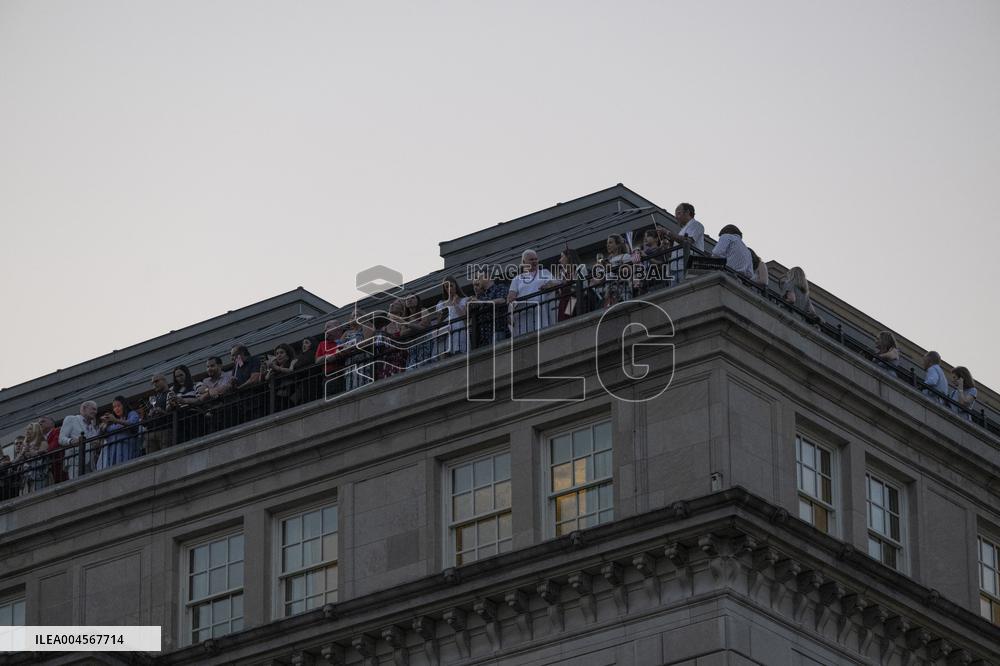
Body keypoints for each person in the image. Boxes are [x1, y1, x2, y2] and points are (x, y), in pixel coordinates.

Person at [508, 249, 556, 335]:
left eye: (536, 259)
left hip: (542, 311)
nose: (534, 261)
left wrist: (547, 285)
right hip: (525, 313)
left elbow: (554, 283)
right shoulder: (517, 279)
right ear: (523, 262)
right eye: (531, 259)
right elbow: (511, 296)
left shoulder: (544, 272)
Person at [96, 396, 141, 471]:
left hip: (126, 449)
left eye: (118, 406)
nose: (116, 409)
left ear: (124, 405)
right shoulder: (112, 421)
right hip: (112, 451)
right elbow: (99, 435)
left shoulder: (131, 414)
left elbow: (133, 423)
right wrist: (104, 423)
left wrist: (116, 420)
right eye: (114, 407)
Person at [59, 400, 99, 478]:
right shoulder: (71, 419)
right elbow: (61, 439)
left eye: (96, 410)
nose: (95, 412)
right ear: (84, 408)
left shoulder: (93, 428)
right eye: (93, 409)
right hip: (75, 461)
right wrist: (71, 441)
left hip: (90, 464)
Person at [470, 272, 510, 344]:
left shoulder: (500, 287)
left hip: (498, 330)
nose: (478, 280)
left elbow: (502, 300)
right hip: (484, 336)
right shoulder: (482, 296)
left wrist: (481, 302)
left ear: (486, 277)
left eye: (479, 278)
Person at [435, 277, 468, 355]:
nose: (449, 288)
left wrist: (455, 303)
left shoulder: (464, 300)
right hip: (447, 331)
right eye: (447, 287)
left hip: (459, 328)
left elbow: (464, 317)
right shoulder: (441, 304)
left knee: (459, 351)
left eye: (451, 286)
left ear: (455, 285)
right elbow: (438, 322)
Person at [17, 422, 51, 493]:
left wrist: (28, 452)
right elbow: (19, 459)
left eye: (29, 429)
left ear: (36, 430)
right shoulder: (26, 444)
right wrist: (23, 453)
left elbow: (41, 454)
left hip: (39, 474)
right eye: (26, 429)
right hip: (27, 476)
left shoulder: (42, 442)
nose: (27, 431)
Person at [600, 235, 633, 307]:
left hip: (623, 290)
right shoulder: (609, 260)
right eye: (607, 243)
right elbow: (606, 279)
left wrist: (612, 267)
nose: (607, 245)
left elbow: (627, 272)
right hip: (611, 294)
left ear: (618, 244)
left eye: (610, 242)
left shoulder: (625, 256)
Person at [145, 374, 172, 454]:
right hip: (151, 432)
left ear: (164, 381)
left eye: (156, 381)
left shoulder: (170, 393)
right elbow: (148, 415)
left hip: (165, 429)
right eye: (152, 383)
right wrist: (149, 414)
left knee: (166, 456)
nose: (154, 384)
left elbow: (173, 412)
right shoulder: (154, 398)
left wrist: (162, 411)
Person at [39, 416, 65, 484]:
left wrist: (43, 451)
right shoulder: (41, 439)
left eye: (43, 421)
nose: (40, 424)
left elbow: (55, 446)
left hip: (58, 467)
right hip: (49, 471)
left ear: (52, 423)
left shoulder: (57, 431)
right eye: (39, 423)